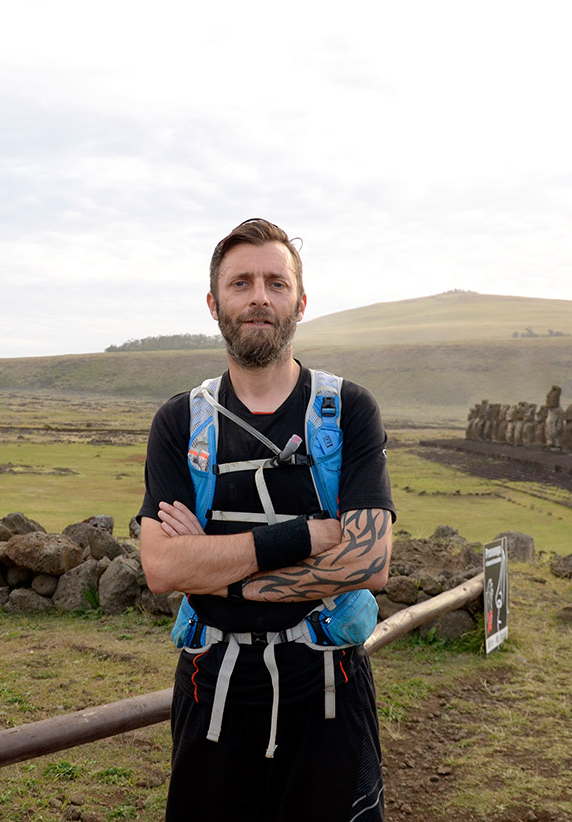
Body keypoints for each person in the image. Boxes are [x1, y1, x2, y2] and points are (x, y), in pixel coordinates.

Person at [138, 218, 395, 821]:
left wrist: (216, 571)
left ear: (300, 302)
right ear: (214, 303)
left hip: (330, 688)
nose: (259, 296)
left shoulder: (349, 411)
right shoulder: (179, 423)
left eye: (276, 283)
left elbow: (369, 561)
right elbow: (161, 566)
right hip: (214, 689)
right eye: (241, 283)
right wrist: (306, 534)